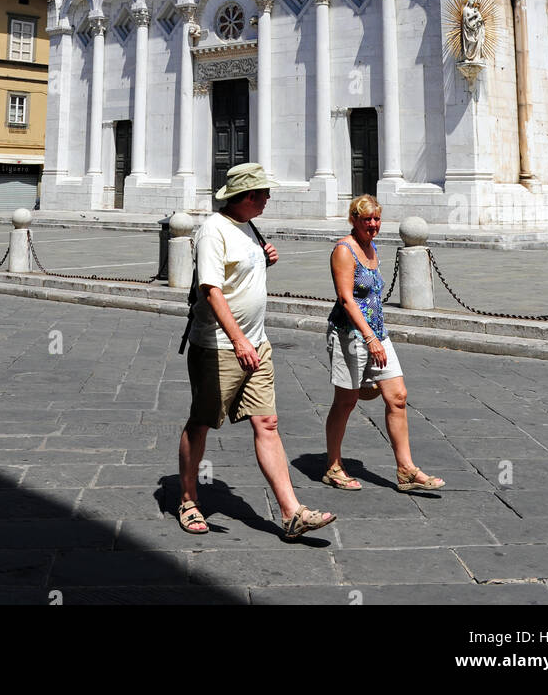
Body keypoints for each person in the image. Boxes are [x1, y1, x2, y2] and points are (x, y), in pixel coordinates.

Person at [178, 162, 336, 542]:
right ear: (246, 196)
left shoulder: (248, 226)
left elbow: (240, 276)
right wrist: (238, 340)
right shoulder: (213, 231)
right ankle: (187, 498)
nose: (268, 199)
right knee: (202, 423)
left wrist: (264, 257)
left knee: (267, 423)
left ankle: (291, 512)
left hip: (257, 344)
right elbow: (211, 290)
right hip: (218, 347)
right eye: (263, 193)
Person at [324, 194, 445, 494]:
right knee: (346, 401)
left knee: (398, 396)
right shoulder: (344, 250)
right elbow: (346, 299)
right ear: (354, 220)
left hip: (378, 333)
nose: (373, 225)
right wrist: (368, 338)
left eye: (377, 219)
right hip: (349, 334)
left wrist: (377, 337)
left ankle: (406, 470)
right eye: (367, 220)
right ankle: (333, 466)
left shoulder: (371, 246)